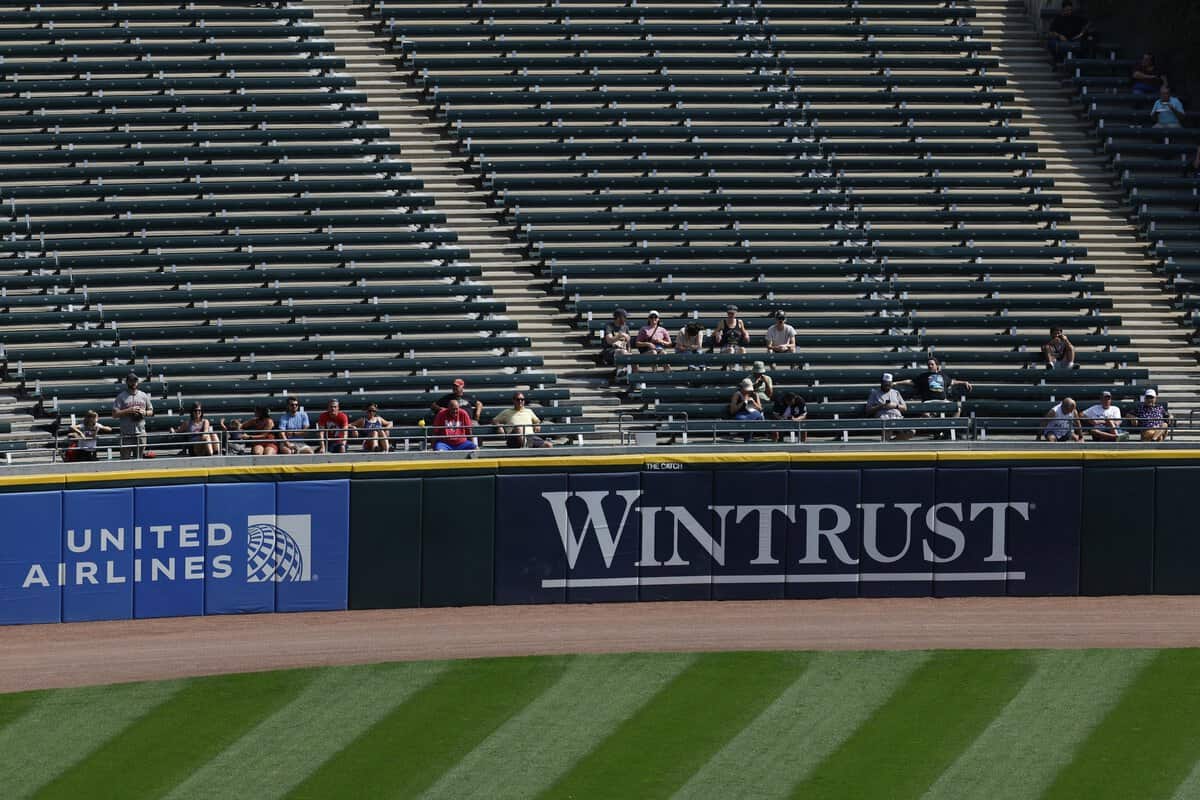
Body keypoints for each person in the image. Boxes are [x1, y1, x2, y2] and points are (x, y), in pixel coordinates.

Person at [894, 356, 973, 431]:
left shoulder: (943, 376)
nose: (930, 366)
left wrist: (964, 382)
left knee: (957, 409)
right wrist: (896, 383)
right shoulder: (923, 376)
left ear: (937, 365)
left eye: (932, 364)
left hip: (943, 401)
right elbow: (910, 382)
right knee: (926, 415)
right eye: (928, 364)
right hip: (928, 401)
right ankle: (914, 430)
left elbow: (953, 382)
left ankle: (950, 429)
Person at [112, 372, 154, 459]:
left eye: (135, 381)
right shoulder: (121, 396)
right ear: (127, 382)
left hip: (140, 432)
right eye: (131, 381)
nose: (133, 383)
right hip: (126, 433)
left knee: (139, 458)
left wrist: (144, 412)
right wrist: (128, 410)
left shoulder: (143, 395)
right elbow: (114, 414)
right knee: (125, 459)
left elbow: (151, 411)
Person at [865, 373, 913, 441]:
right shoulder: (875, 393)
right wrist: (881, 406)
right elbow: (868, 410)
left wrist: (895, 406)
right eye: (885, 384)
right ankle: (887, 444)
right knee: (888, 428)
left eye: (889, 384)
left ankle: (891, 442)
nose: (887, 385)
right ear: (881, 383)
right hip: (884, 417)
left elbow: (905, 408)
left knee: (911, 431)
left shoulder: (896, 392)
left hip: (897, 417)